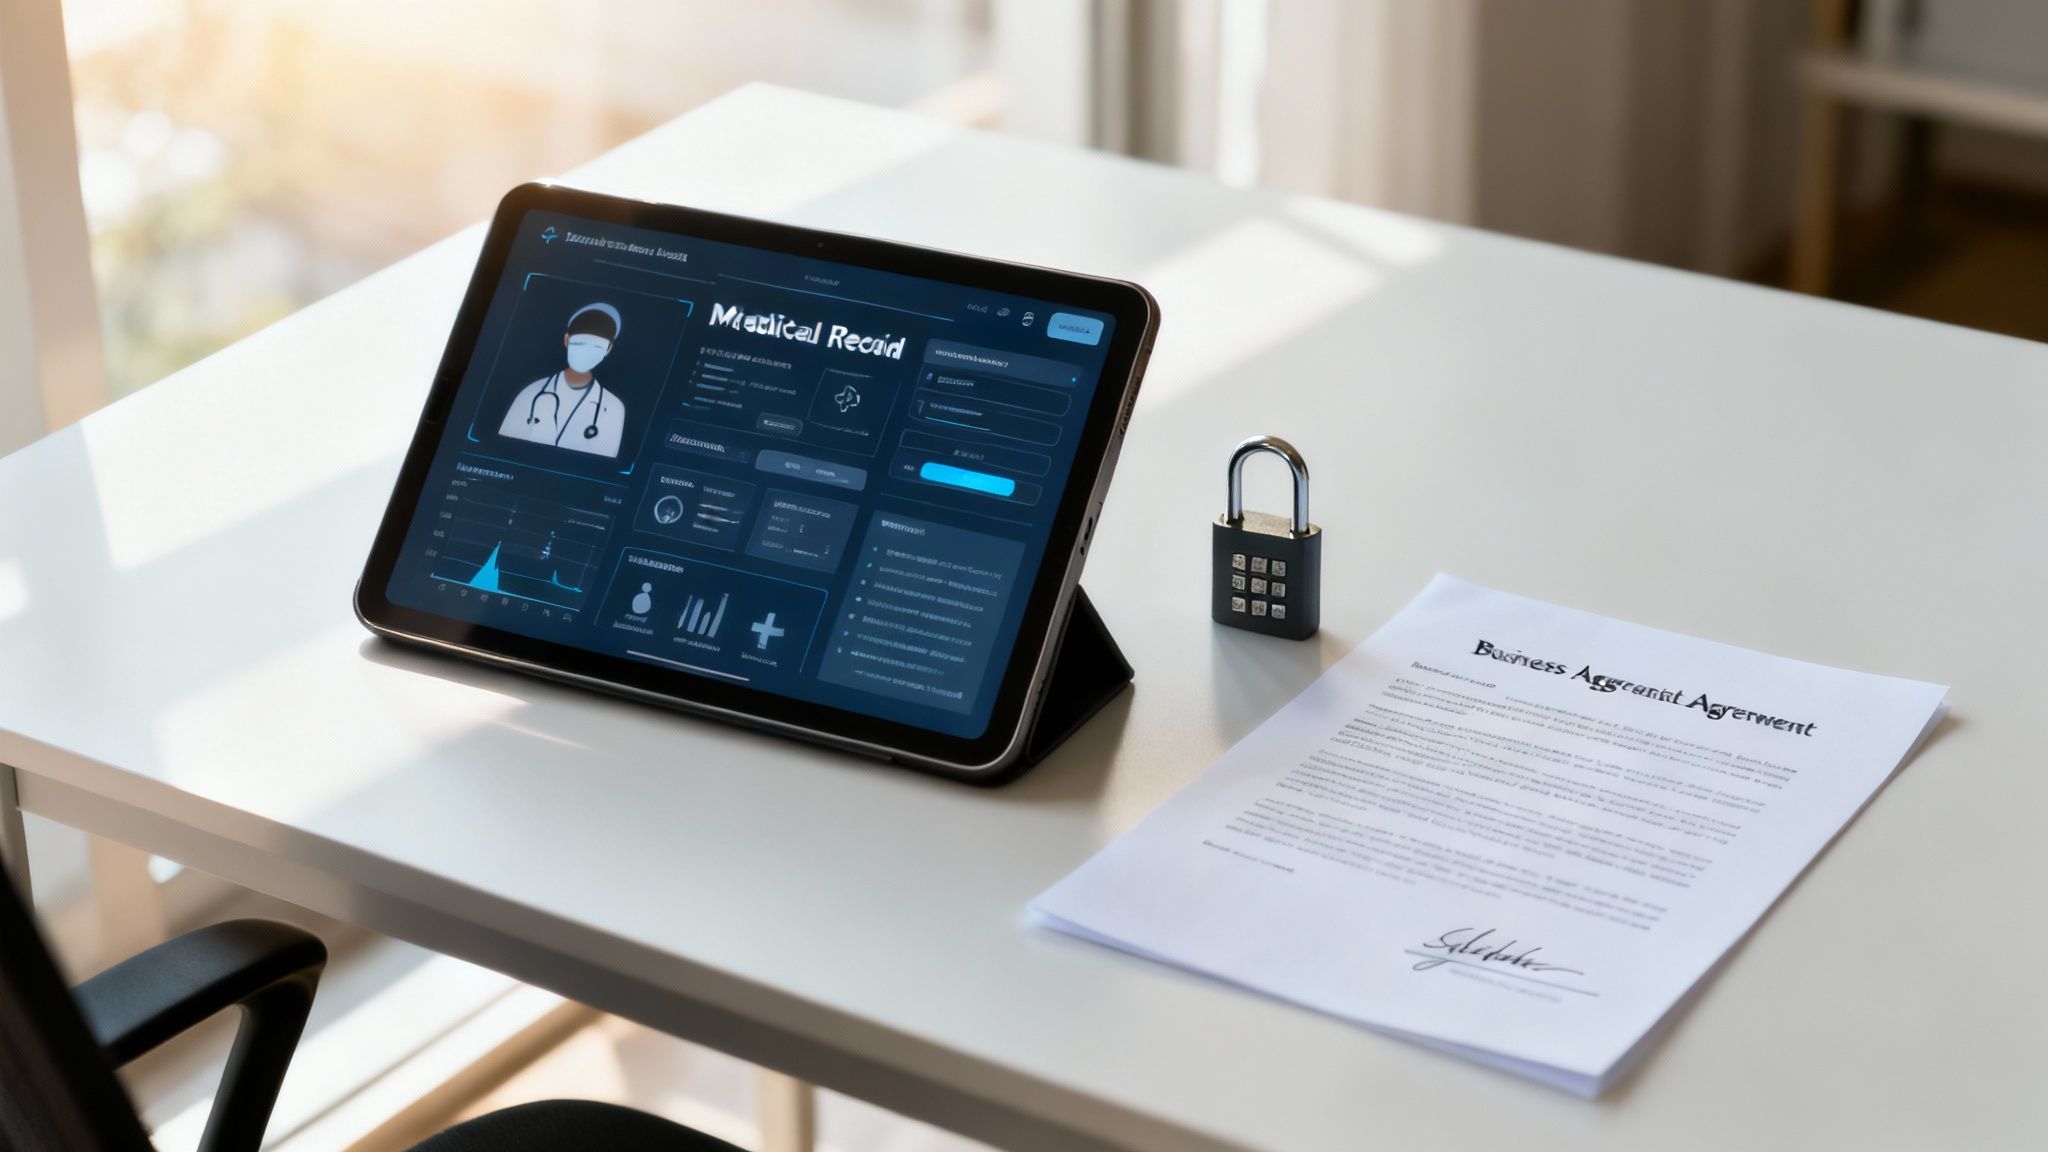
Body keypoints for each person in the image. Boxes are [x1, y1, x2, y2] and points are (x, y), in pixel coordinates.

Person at [499, 302, 627, 457]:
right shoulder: (530, 393)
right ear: (566, 340)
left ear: (608, 349)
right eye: (580, 343)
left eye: (597, 347)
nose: (586, 353)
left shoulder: (614, 408)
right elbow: (502, 450)